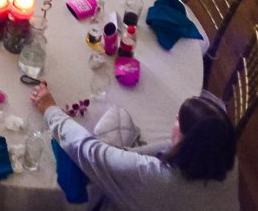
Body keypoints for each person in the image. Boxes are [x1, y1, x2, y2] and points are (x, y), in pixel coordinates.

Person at [31, 87, 239, 210]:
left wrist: (51, 111)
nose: (174, 119)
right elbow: (168, 150)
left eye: (178, 121)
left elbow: (89, 151)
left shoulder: (156, 179)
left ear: (187, 142)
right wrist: (128, 155)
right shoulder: (224, 157)